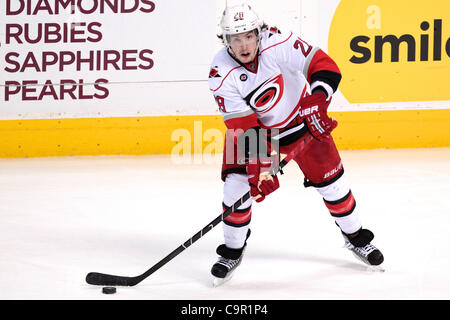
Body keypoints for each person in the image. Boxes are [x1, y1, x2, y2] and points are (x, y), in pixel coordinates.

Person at [208, 3, 384, 284]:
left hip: (304, 122)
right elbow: (244, 127)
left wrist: (316, 102)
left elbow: (324, 66)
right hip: (259, 133)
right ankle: (232, 249)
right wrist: (259, 168)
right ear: (225, 40)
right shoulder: (219, 73)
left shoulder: (277, 41)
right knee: (236, 188)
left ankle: (356, 237)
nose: (244, 45)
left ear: (259, 32)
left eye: (249, 36)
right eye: (235, 38)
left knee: (334, 186)